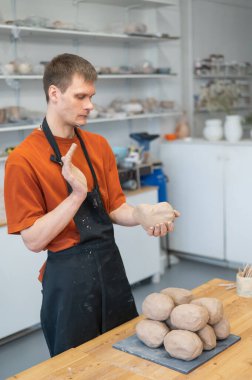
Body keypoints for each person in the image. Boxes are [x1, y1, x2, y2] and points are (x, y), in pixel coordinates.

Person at [4, 53, 180, 357]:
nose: (90, 105)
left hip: (111, 270)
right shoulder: (23, 159)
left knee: (126, 357)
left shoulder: (97, 146)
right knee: (76, 367)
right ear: (54, 94)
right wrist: (76, 195)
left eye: (92, 96)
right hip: (68, 284)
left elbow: (114, 208)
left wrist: (140, 214)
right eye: (81, 96)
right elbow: (33, 239)